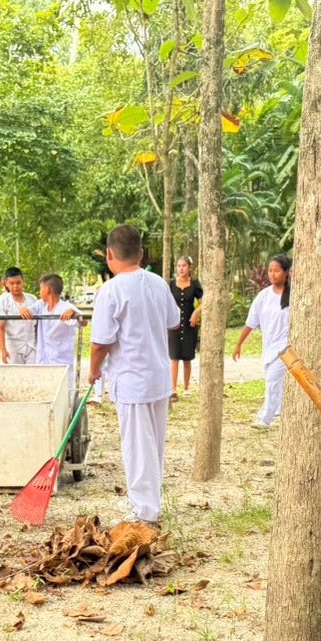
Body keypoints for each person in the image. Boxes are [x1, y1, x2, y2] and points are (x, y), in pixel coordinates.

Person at [89, 224, 181, 526]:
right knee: (153, 445)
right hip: (157, 376)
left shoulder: (111, 290)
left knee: (138, 447)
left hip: (132, 379)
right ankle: (150, 504)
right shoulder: (158, 283)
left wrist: (92, 373)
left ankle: (146, 512)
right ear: (141, 253)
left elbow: (101, 342)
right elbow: (173, 321)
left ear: (109, 255)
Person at [233, 254, 291, 428]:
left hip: (287, 347)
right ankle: (279, 410)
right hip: (269, 346)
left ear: (286, 272)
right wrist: (238, 344)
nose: (272, 274)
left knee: (273, 379)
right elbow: (251, 322)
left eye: (277, 271)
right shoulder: (263, 296)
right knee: (274, 380)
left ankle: (265, 418)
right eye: (270, 271)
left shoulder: (295, 295)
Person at [34, 273, 81, 391]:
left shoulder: (66, 307)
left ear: (47, 289)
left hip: (60, 360)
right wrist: (24, 309)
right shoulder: (41, 305)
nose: (39, 292)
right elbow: (29, 310)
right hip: (43, 359)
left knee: (63, 392)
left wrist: (74, 314)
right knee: (44, 391)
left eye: (40, 289)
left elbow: (83, 321)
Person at [168, 255, 203, 397]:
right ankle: (173, 388)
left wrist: (197, 312)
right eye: (178, 266)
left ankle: (187, 388)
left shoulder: (195, 284)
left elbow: (205, 300)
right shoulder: (170, 284)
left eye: (183, 266)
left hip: (190, 325)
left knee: (187, 357)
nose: (181, 268)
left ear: (189, 268)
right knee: (174, 357)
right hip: (174, 325)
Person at [0, 266, 38, 365]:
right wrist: (3, 350)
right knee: (14, 376)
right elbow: (0, 326)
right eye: (12, 283)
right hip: (12, 346)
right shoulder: (3, 300)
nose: (15, 286)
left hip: (32, 345)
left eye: (18, 283)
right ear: (6, 283)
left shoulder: (33, 299)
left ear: (23, 282)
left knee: (34, 375)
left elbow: (38, 325)